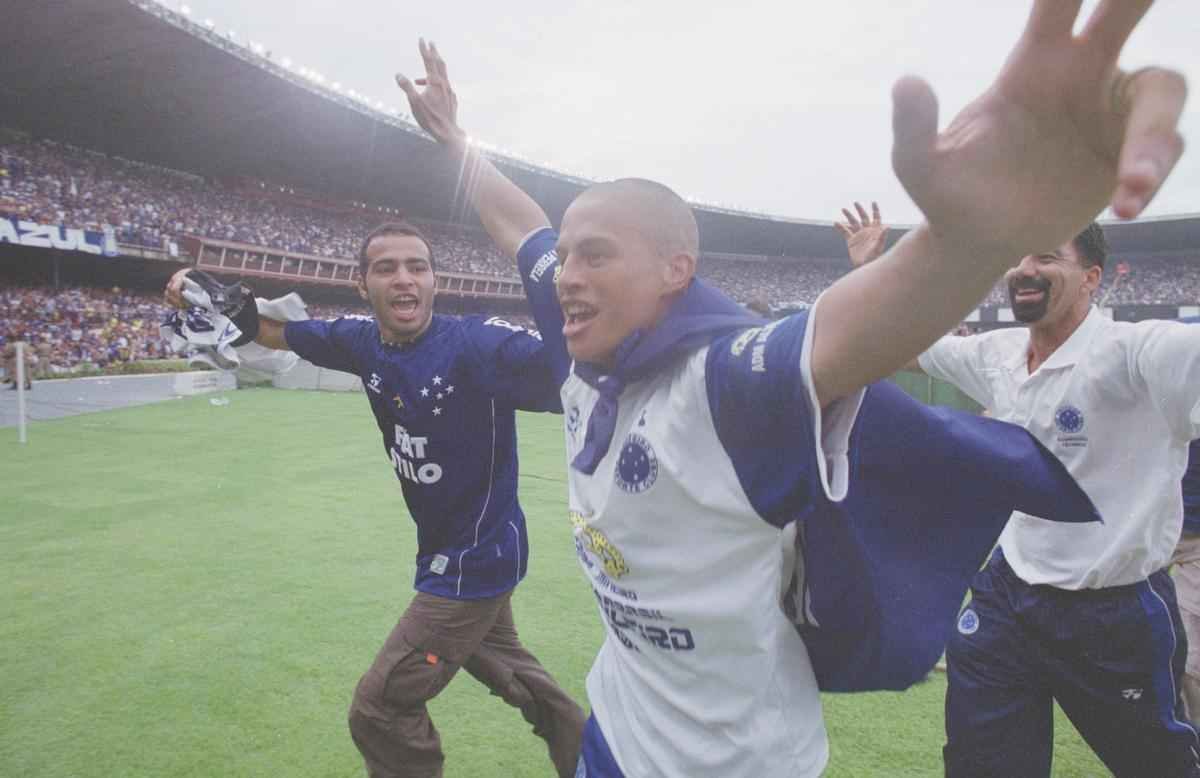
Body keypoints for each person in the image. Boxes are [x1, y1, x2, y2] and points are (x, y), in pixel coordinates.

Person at [395, 0, 1188, 772]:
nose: (566, 275)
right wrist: (457, 139)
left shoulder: (720, 384)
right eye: (565, 256)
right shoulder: (583, 339)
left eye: (595, 254)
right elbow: (516, 224)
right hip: (614, 737)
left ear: (676, 271)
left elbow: (850, 330)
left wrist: (976, 236)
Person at [164, 219, 585, 778]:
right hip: (467, 556)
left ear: (436, 281)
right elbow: (271, 332)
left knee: (380, 707)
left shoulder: (477, 344)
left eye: (418, 266)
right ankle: (597, 763)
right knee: (523, 682)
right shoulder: (360, 341)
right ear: (361, 283)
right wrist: (196, 282)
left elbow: (572, 374)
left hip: (470, 564)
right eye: (387, 268)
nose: (404, 279)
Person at [838, 197, 1200, 775]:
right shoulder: (998, 352)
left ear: (1091, 279)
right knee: (983, 763)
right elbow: (902, 344)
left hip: (1112, 613)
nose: (1024, 268)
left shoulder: (1135, 353)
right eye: (1019, 255)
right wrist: (871, 269)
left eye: (1048, 256)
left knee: (1157, 765)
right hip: (1007, 597)